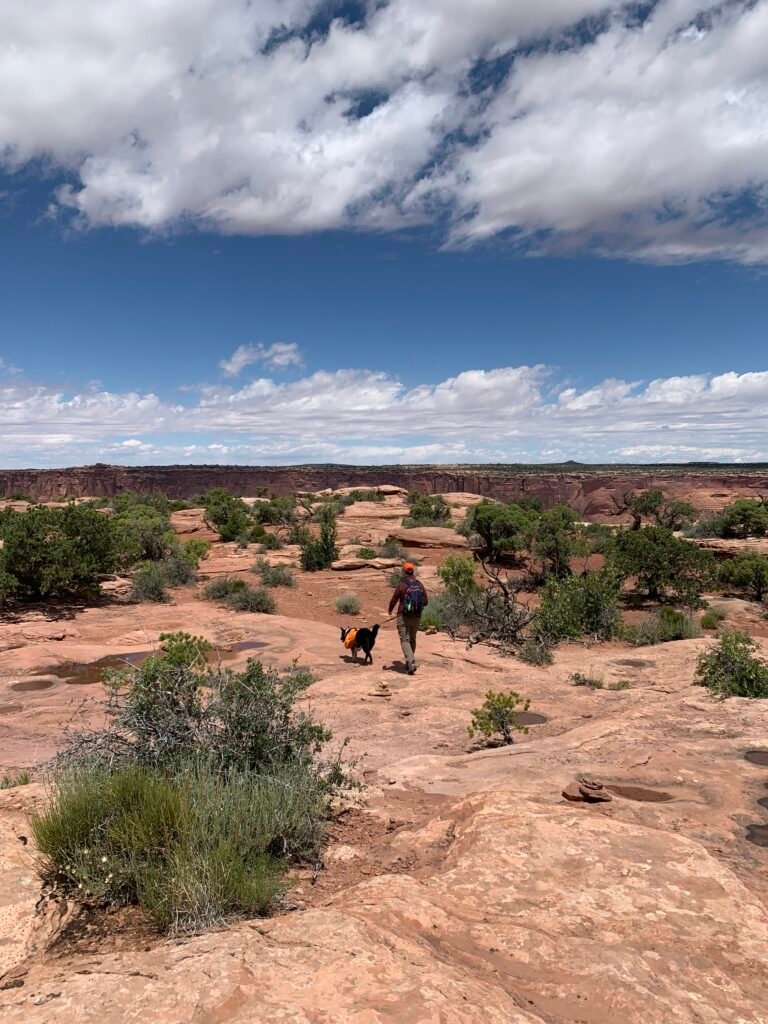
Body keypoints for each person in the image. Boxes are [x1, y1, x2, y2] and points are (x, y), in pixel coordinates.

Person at [388, 562, 428, 675]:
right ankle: (410, 662)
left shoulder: (401, 584)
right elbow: (425, 601)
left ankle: (410, 663)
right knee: (412, 639)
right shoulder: (419, 584)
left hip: (403, 616)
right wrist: (416, 606)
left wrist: (390, 610)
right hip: (416, 616)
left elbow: (394, 599)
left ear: (404, 571)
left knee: (405, 640)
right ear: (413, 571)